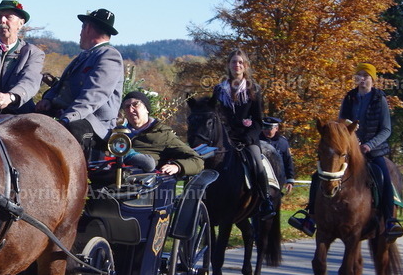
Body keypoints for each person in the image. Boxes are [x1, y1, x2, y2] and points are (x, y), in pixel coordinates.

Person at [288, 63, 403, 239]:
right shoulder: (349, 97)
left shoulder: (379, 99)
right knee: (318, 175)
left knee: (383, 176)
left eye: (366, 75)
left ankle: (389, 221)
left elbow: (386, 129)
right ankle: (310, 218)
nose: (362, 79)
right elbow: (341, 123)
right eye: (359, 75)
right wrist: (347, 141)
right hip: (349, 149)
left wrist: (369, 145)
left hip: (373, 150)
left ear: (373, 79)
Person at [36, 8, 124, 153]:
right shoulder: (84, 56)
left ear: (87, 28)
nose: (80, 33)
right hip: (66, 113)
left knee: (66, 132)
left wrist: (67, 118)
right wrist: (48, 100)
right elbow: (62, 84)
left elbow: (94, 96)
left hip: (92, 122)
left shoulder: (109, 56)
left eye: (82, 27)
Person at [210, 48, 275, 219]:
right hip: (224, 138)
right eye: (233, 62)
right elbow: (214, 116)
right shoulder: (219, 89)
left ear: (245, 66)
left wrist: (248, 137)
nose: (237, 65)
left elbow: (258, 121)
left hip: (247, 139)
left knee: (258, 164)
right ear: (228, 65)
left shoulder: (254, 89)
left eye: (240, 62)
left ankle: (265, 200)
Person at [118, 90, 204, 177]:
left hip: (143, 181)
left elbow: (197, 161)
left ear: (146, 109)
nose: (130, 109)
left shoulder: (163, 135)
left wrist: (177, 166)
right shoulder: (118, 134)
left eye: (135, 104)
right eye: (127, 106)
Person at [260, 116, 295, 194]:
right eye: (264, 127)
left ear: (276, 128)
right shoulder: (257, 140)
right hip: (260, 177)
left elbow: (288, 161)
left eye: (269, 128)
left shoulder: (282, 142)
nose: (266, 130)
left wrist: (290, 180)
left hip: (277, 178)